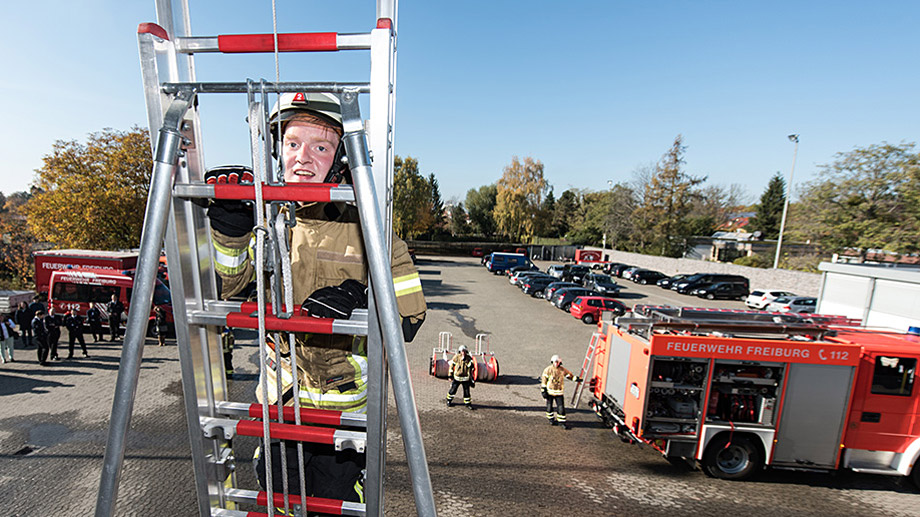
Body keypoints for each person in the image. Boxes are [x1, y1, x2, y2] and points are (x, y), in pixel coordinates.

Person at [206, 92, 426, 504]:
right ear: (278, 150)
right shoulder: (262, 219)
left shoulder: (370, 224)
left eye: (320, 146)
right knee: (280, 499)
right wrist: (231, 234)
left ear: (340, 156)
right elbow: (228, 294)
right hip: (280, 402)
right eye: (292, 144)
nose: (303, 158)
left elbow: (411, 316)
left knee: (336, 504)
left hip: (344, 412)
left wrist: (362, 299)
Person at [541, 355, 581, 430]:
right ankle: (551, 419)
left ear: (560, 362)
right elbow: (544, 380)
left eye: (557, 362)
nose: (556, 364)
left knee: (561, 408)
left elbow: (569, 375)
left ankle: (562, 422)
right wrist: (543, 390)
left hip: (559, 392)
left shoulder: (562, 370)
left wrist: (576, 379)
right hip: (550, 392)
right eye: (555, 362)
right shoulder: (548, 370)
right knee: (549, 406)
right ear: (552, 362)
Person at [445, 345, 476, 410]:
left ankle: (468, 404)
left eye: (464, 351)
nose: (463, 353)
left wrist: (472, 379)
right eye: (462, 351)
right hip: (457, 378)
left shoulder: (469, 358)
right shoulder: (456, 357)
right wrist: (450, 375)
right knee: (453, 390)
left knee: (467, 392)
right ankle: (449, 400)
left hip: (465, 378)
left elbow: (471, 368)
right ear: (460, 351)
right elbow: (451, 366)